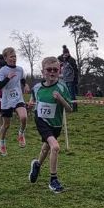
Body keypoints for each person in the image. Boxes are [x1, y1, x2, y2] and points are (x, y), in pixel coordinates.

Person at [28, 56, 73, 193]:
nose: (52, 72)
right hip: (41, 120)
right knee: (55, 147)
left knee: (46, 147)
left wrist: (60, 99)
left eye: (55, 70)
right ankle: (53, 180)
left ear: (59, 71)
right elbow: (32, 101)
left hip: (56, 123)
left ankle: (37, 165)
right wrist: (30, 105)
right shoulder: (37, 88)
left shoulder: (62, 87)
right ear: (43, 72)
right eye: (49, 69)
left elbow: (70, 109)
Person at [0, 47, 29, 156]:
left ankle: (21, 133)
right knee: (6, 125)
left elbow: (22, 79)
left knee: (24, 117)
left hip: (18, 98)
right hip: (6, 101)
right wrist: (8, 78)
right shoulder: (3, 70)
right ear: (6, 58)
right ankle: (2, 142)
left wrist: (26, 85)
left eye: (15, 56)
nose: (14, 58)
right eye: (11, 57)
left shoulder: (20, 69)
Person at [60, 47, 78, 111]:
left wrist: (75, 79)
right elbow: (58, 58)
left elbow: (75, 70)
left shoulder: (71, 60)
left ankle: (74, 108)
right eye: (64, 54)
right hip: (65, 79)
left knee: (72, 94)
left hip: (71, 79)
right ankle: (69, 107)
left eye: (66, 53)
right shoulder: (64, 61)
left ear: (68, 53)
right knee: (66, 94)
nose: (64, 55)